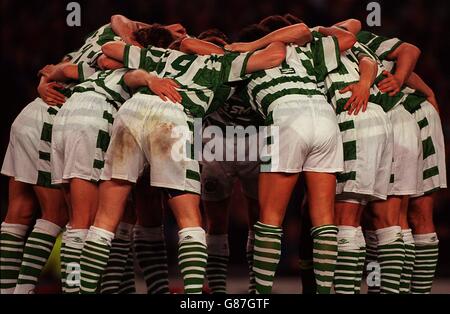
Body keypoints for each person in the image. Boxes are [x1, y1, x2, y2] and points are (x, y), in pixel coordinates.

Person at [76, 33, 287, 294]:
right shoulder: (226, 62)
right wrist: (240, 47)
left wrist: (155, 68)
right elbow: (277, 53)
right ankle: (194, 299)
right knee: (189, 220)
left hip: (130, 112)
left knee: (105, 220)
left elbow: (109, 51)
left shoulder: (163, 55)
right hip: (173, 117)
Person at [226, 23, 356, 294]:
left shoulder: (243, 59)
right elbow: (344, 37)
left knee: (271, 218)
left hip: (286, 115)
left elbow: (195, 48)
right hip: (325, 118)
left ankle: (259, 296)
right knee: (324, 219)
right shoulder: (304, 53)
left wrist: (247, 47)